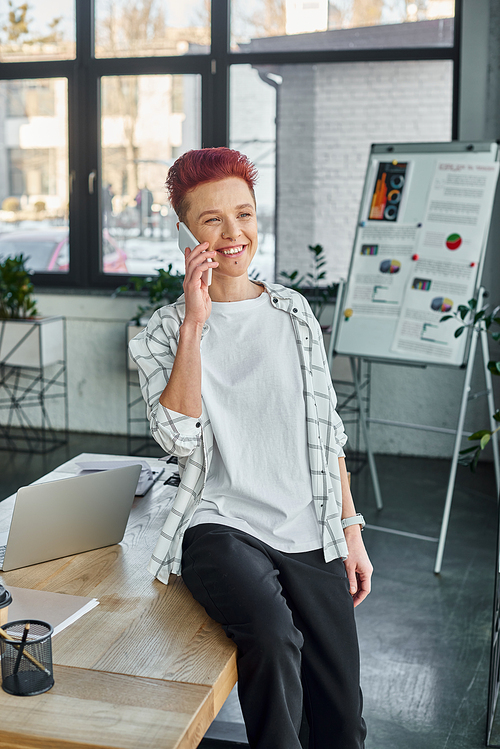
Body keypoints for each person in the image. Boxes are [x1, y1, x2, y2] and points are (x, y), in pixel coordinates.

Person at [129, 147, 372, 749]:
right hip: (219, 525)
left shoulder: (294, 314)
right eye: (213, 220)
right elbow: (177, 439)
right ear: (186, 231)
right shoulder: (162, 331)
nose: (234, 234)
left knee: (342, 723)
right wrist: (194, 324)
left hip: (308, 526)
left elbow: (326, 429)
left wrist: (351, 530)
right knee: (271, 634)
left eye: (245, 214)